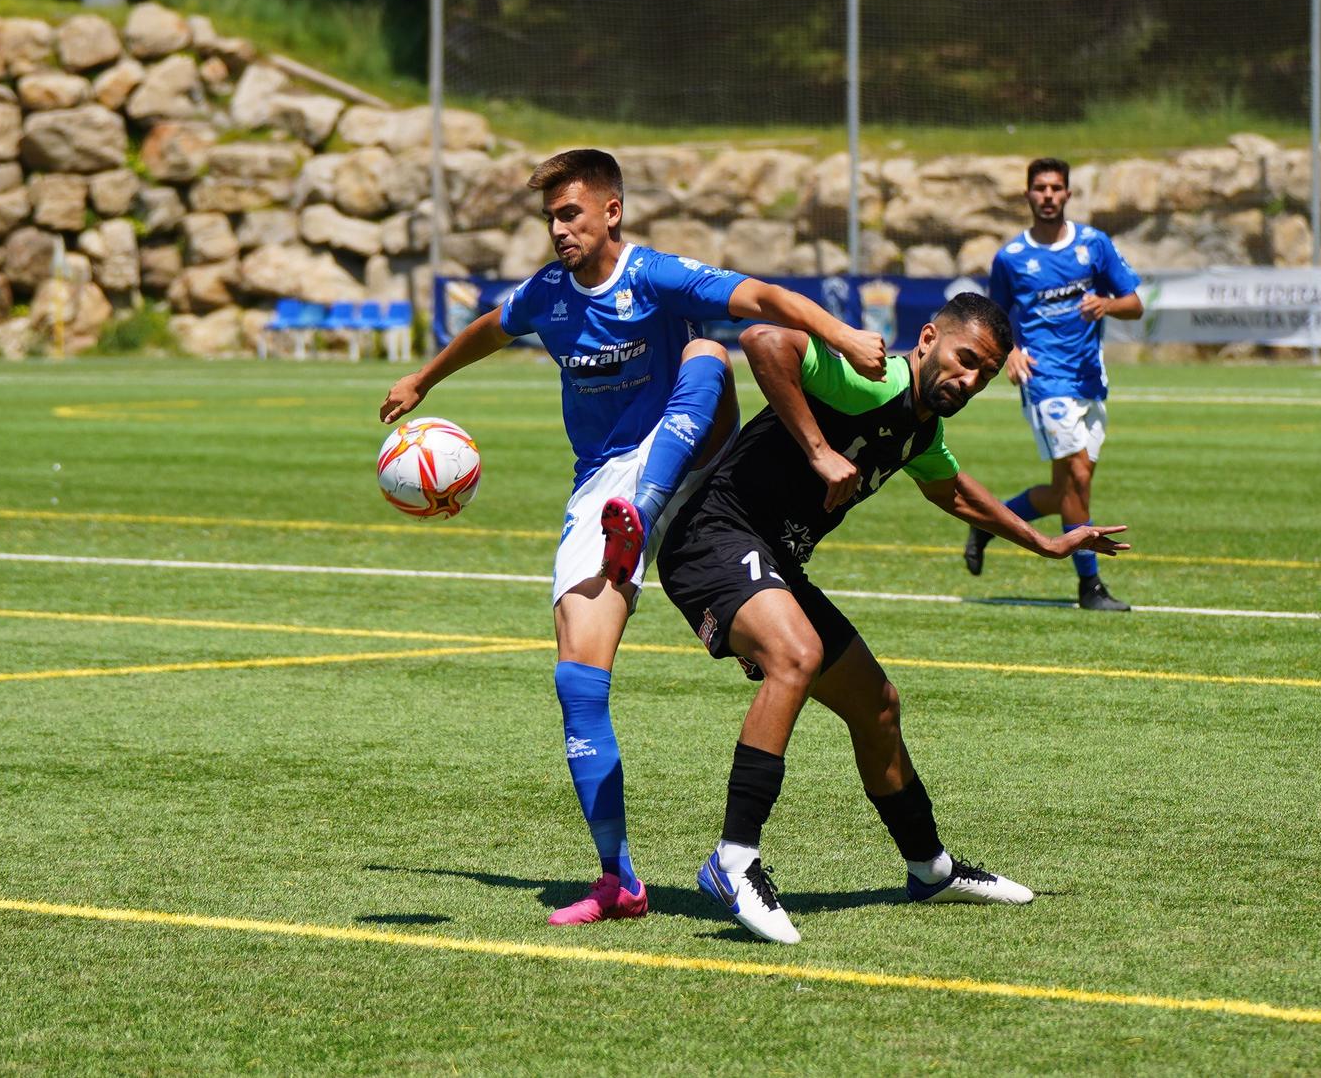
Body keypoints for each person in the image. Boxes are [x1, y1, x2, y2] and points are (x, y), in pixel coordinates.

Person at [379, 148, 886, 927]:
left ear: (611, 210)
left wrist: (845, 335)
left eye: (570, 213)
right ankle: (618, 879)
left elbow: (761, 295)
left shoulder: (654, 275)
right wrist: (424, 379)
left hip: (690, 465)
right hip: (601, 487)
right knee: (577, 684)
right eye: (550, 216)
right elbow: (490, 327)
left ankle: (646, 515)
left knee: (708, 352)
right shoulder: (548, 294)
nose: (557, 229)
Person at [658, 294, 1128, 944]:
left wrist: (1046, 543)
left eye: (985, 374)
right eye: (964, 359)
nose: (969, 380)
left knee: (877, 705)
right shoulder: (869, 377)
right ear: (929, 338)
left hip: (774, 562)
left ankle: (929, 867)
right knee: (795, 656)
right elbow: (766, 340)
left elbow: (953, 490)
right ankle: (734, 857)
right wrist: (819, 449)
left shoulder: (922, 430)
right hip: (710, 543)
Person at [963, 157, 1142, 611]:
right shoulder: (1012, 258)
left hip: (1090, 380)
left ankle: (988, 524)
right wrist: (1012, 351)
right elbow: (993, 319)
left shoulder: (1093, 246)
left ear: (1067, 194)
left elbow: (1135, 303)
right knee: (1079, 480)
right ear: (1027, 195)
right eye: (1039, 188)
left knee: (1065, 492)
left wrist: (1107, 304)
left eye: (1055, 188)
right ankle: (1090, 587)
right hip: (1044, 381)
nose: (1047, 195)